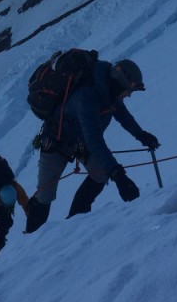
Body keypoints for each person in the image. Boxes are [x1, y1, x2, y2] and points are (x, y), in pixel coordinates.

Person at [25, 58, 160, 233]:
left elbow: (121, 114)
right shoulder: (86, 96)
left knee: (101, 174)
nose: (129, 94)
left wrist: (140, 134)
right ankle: (31, 242)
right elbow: (94, 140)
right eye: (128, 90)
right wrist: (118, 175)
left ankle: (74, 224)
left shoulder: (108, 91)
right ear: (120, 84)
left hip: (80, 141)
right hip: (56, 140)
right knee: (44, 195)